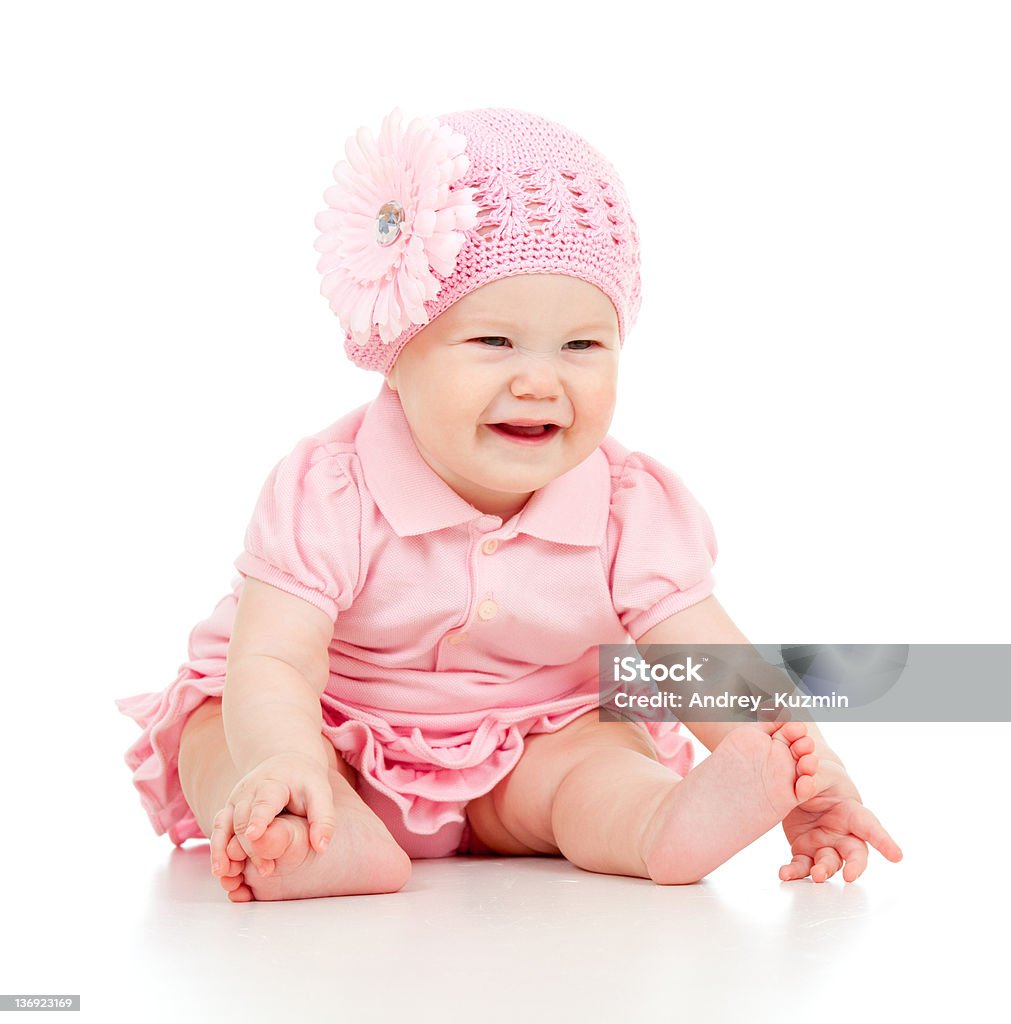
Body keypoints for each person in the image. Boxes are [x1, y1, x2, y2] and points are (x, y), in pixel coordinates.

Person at [116, 106, 903, 903]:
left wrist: (814, 778)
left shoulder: (628, 508)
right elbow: (275, 660)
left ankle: (657, 823)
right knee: (219, 738)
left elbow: (711, 667)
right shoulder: (330, 487)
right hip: (330, 728)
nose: (539, 379)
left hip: (529, 741)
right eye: (494, 342)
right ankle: (306, 829)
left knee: (595, 757)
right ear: (395, 358)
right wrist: (283, 755)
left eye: (582, 346)